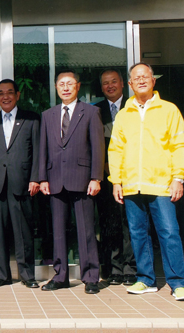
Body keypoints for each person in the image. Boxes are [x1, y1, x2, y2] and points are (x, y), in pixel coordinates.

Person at [108, 62, 184, 300]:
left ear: (153, 80)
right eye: (136, 78)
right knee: (138, 234)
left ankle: (178, 282)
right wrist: (117, 181)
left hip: (161, 184)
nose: (141, 80)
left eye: (145, 77)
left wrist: (178, 178)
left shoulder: (169, 110)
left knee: (169, 232)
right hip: (131, 184)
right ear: (129, 84)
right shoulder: (123, 115)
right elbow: (116, 149)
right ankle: (146, 279)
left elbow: (178, 145)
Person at [39, 69, 104, 294]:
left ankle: (91, 277)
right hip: (55, 179)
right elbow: (42, 150)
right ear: (56, 88)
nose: (65, 88)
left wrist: (96, 177)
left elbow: (98, 147)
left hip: (83, 179)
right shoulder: (48, 115)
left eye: (69, 84)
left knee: (86, 230)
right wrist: (42, 178)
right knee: (58, 230)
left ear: (77, 86)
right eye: (61, 84)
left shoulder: (90, 112)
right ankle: (61, 276)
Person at [0, 79, 40, 288]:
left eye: (10, 92)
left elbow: (38, 151)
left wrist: (35, 177)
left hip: (22, 182)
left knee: (23, 232)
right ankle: (1, 275)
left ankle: (27, 275)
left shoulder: (30, 119)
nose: (6, 96)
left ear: (18, 94)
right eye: (1, 93)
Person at [95, 69, 136, 286]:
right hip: (105, 176)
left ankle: (130, 268)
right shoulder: (95, 110)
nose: (110, 86)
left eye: (113, 82)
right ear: (101, 87)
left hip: (130, 175)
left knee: (129, 224)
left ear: (122, 83)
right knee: (108, 223)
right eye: (105, 83)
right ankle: (113, 268)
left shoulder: (134, 106)